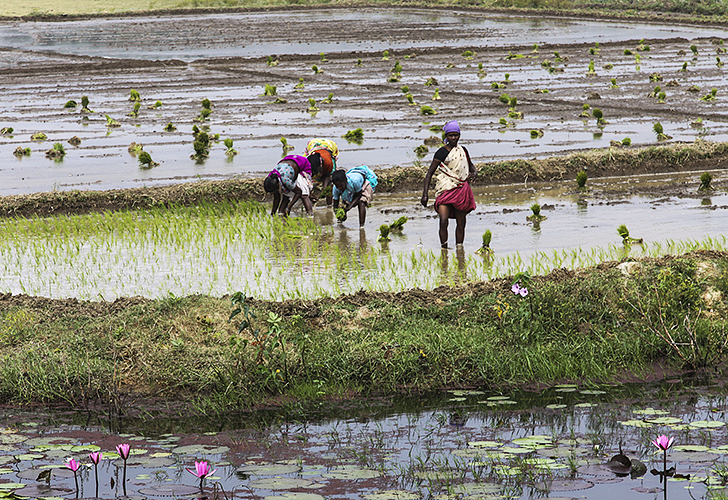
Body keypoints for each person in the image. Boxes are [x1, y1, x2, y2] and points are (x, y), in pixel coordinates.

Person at [421, 120, 477, 248]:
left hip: (460, 189)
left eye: (456, 135)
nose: (453, 138)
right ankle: (444, 248)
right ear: (446, 136)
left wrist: (474, 173)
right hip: (445, 188)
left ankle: (459, 248)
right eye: (450, 135)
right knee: (443, 221)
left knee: (461, 222)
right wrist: (425, 195)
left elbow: (472, 167)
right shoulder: (441, 152)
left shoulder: (463, 151)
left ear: (459, 136)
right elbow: (429, 174)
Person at [304, 138, 339, 205]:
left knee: (329, 185)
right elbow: (306, 179)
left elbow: (327, 176)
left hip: (330, 146)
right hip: (313, 145)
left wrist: (324, 189)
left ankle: (329, 205)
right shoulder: (306, 163)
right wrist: (309, 193)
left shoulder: (329, 163)